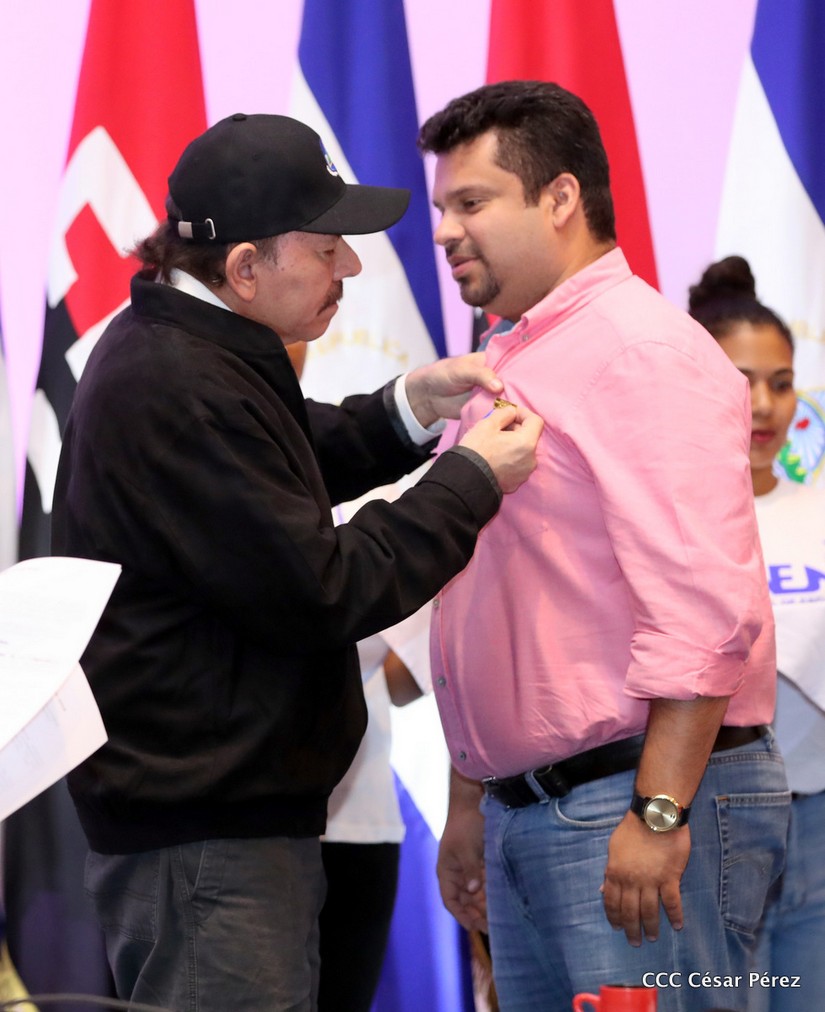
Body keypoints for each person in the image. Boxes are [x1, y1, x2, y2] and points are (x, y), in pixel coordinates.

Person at [50, 111, 543, 1012]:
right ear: (245, 268)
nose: (349, 266)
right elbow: (325, 587)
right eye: (325, 248)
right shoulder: (176, 381)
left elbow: (282, 459)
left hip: (213, 829)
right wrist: (470, 480)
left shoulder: (189, 350)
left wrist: (411, 405)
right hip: (207, 844)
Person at [417, 80, 789, 1012]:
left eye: (471, 203)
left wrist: (657, 813)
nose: (445, 231)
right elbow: (486, 598)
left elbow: (703, 611)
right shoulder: (511, 356)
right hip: (536, 809)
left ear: (559, 198)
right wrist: (471, 802)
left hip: (635, 803)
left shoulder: (638, 351)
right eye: (442, 207)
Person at [689, 256, 825, 1012]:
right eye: (741, 381)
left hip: (818, 817)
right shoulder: (671, 519)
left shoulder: (819, 508)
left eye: (781, 381)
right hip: (707, 818)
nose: (764, 405)